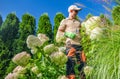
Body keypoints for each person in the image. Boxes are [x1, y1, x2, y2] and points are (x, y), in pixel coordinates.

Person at [56, 5, 86, 79]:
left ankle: (82, 77)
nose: (77, 13)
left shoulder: (78, 22)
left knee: (83, 63)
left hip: (79, 45)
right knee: (70, 64)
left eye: (77, 11)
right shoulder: (65, 21)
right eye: (75, 11)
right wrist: (67, 34)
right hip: (70, 45)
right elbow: (60, 31)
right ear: (70, 11)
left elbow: (82, 32)